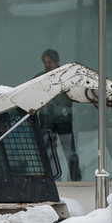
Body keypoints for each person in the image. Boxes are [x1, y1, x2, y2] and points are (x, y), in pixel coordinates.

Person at [34, 49, 82, 181]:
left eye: (50, 62)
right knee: (49, 153)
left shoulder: (67, 78)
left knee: (70, 152)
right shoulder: (40, 79)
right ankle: (54, 180)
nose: (47, 65)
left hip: (63, 121)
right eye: (45, 63)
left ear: (57, 62)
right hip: (47, 121)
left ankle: (75, 179)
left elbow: (76, 95)